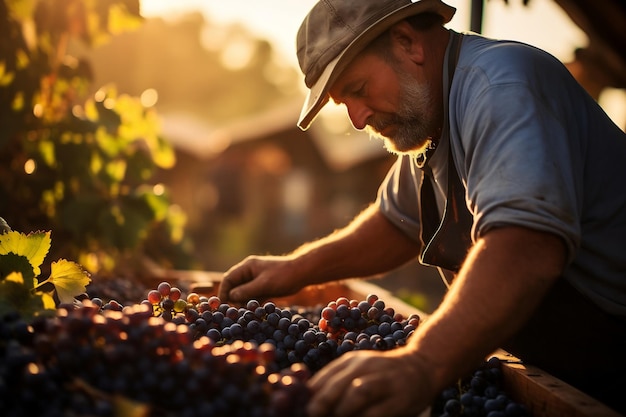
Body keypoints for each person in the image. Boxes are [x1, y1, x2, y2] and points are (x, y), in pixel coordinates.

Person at [218, 0, 626, 415]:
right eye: (345, 105)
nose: (357, 120)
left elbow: (525, 245)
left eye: (358, 91)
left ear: (407, 42)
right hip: (560, 369)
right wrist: (291, 269)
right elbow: (395, 224)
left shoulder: (499, 87)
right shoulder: (433, 120)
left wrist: (423, 362)